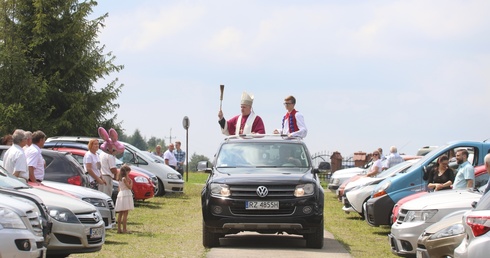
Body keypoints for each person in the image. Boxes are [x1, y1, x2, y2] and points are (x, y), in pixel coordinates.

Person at [115, 164, 134, 234]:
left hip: (121, 194)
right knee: (125, 213)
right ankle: (124, 229)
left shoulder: (120, 178)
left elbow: (119, 188)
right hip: (126, 194)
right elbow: (129, 187)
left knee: (120, 213)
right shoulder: (124, 179)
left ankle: (119, 229)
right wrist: (131, 182)